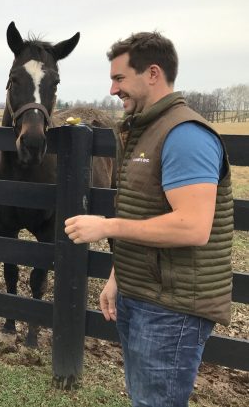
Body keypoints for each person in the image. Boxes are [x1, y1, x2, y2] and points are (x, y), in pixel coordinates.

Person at [64, 32, 233, 407]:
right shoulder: (144, 131)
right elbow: (142, 211)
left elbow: (193, 226)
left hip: (172, 307)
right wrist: (117, 278)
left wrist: (106, 227)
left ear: (153, 73)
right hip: (142, 294)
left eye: (120, 78)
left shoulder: (185, 135)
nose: (112, 89)